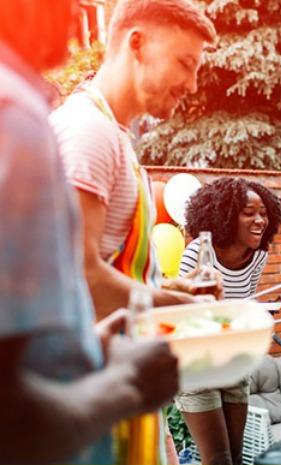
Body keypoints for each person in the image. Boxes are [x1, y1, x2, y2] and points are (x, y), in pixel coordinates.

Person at [0, 1, 178, 463]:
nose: (81, 14)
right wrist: (126, 386)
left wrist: (90, 348)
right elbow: (9, 418)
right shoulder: (16, 115)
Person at [50, 0, 221, 319]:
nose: (192, 85)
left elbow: (110, 267)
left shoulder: (112, 133)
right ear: (137, 44)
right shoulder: (89, 131)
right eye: (185, 63)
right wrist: (183, 307)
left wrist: (174, 289)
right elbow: (78, 278)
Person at [176, 177, 281, 465]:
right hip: (197, 364)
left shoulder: (258, 254)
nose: (260, 220)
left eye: (263, 213)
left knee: (236, 458)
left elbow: (244, 303)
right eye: (249, 213)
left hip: (234, 360)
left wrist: (264, 312)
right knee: (218, 460)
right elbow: (185, 318)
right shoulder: (198, 256)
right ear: (223, 216)